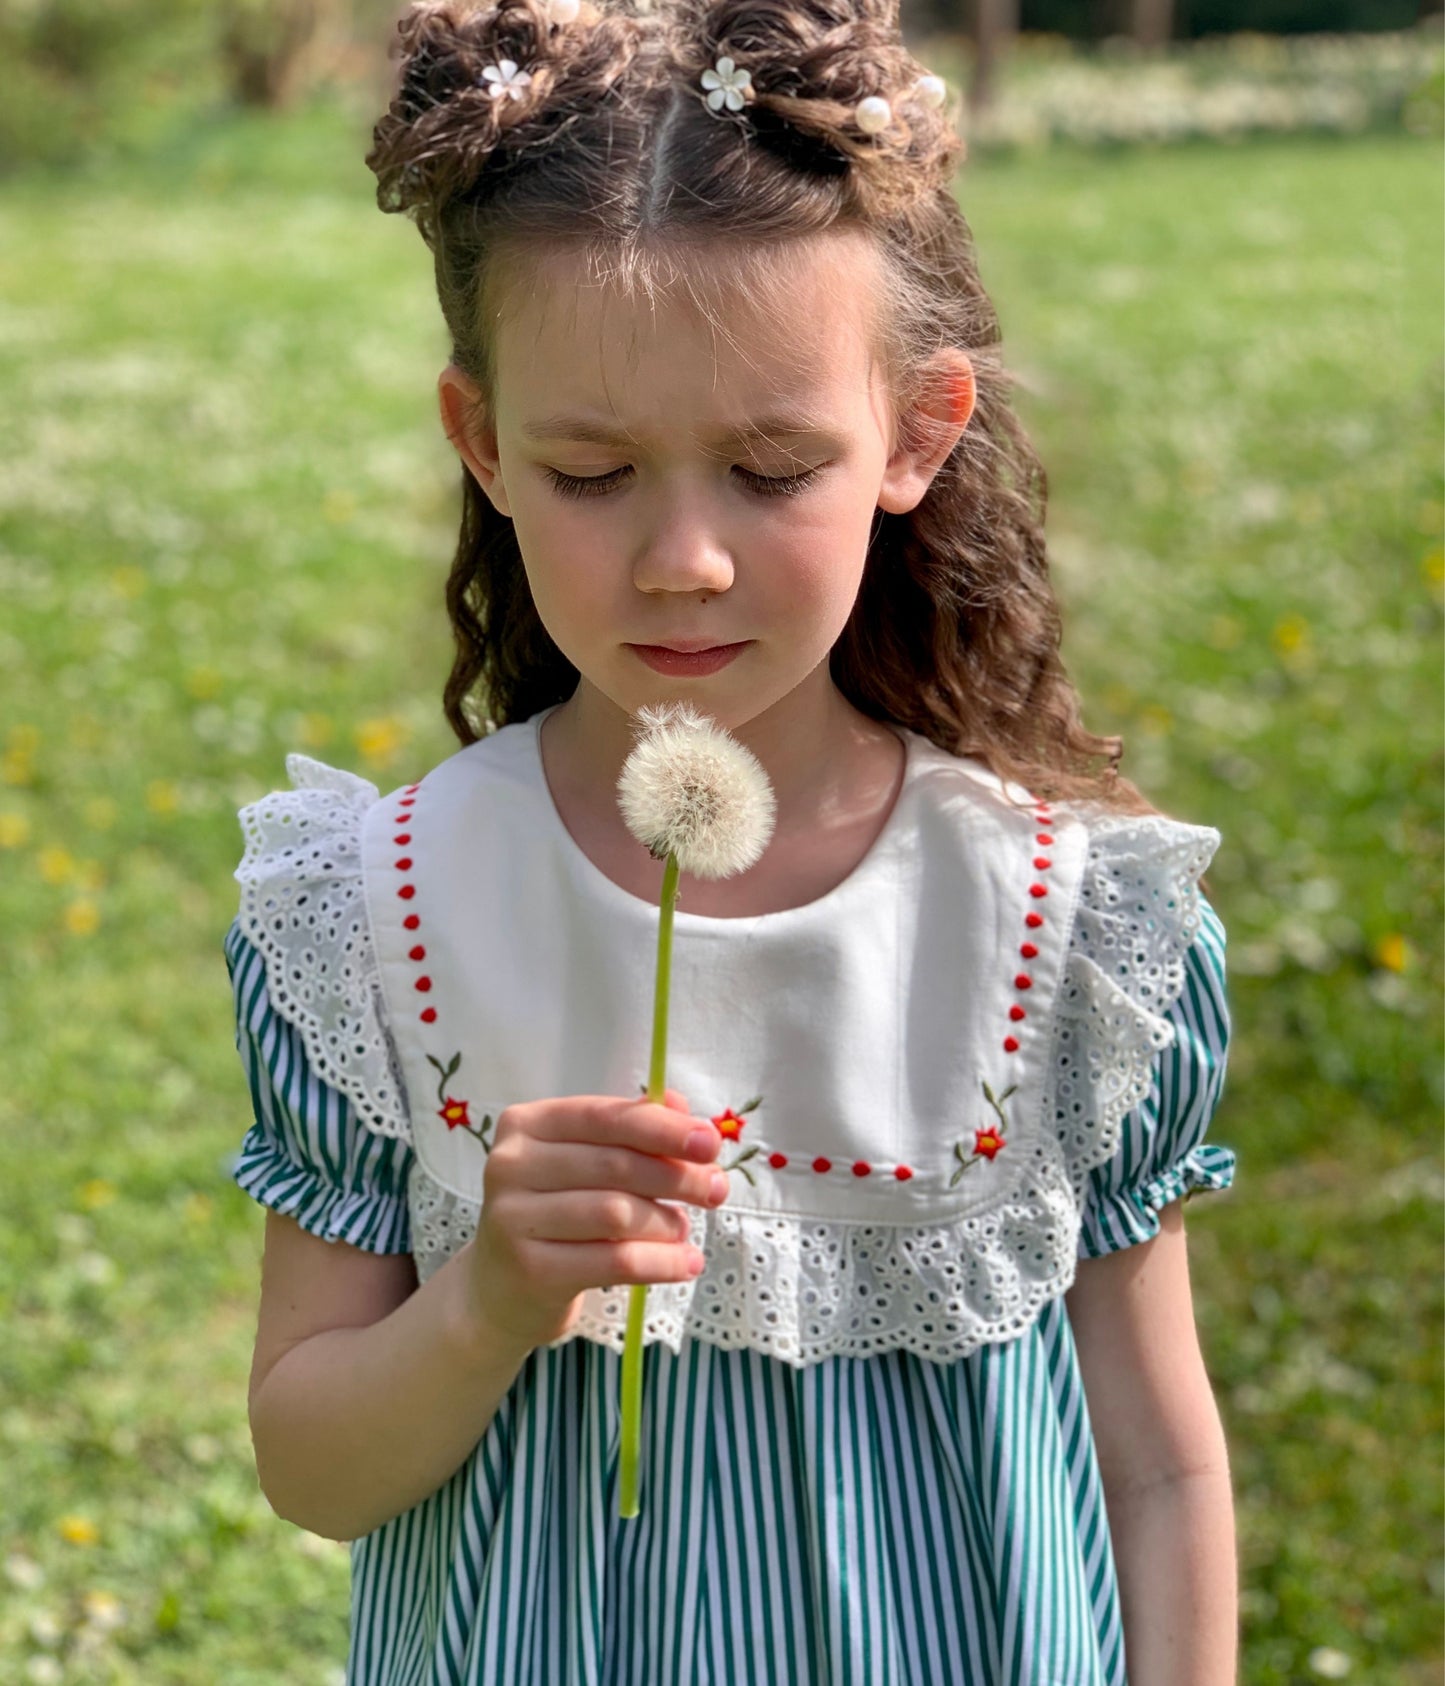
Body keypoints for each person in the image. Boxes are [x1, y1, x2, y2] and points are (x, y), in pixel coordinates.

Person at [222, 0, 1240, 1680]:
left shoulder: (1066, 926)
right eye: (593, 468)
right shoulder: (378, 914)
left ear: (914, 434)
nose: (682, 557)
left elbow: (1158, 1457)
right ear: (481, 444)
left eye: (770, 468)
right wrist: (481, 1304)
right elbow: (311, 1467)